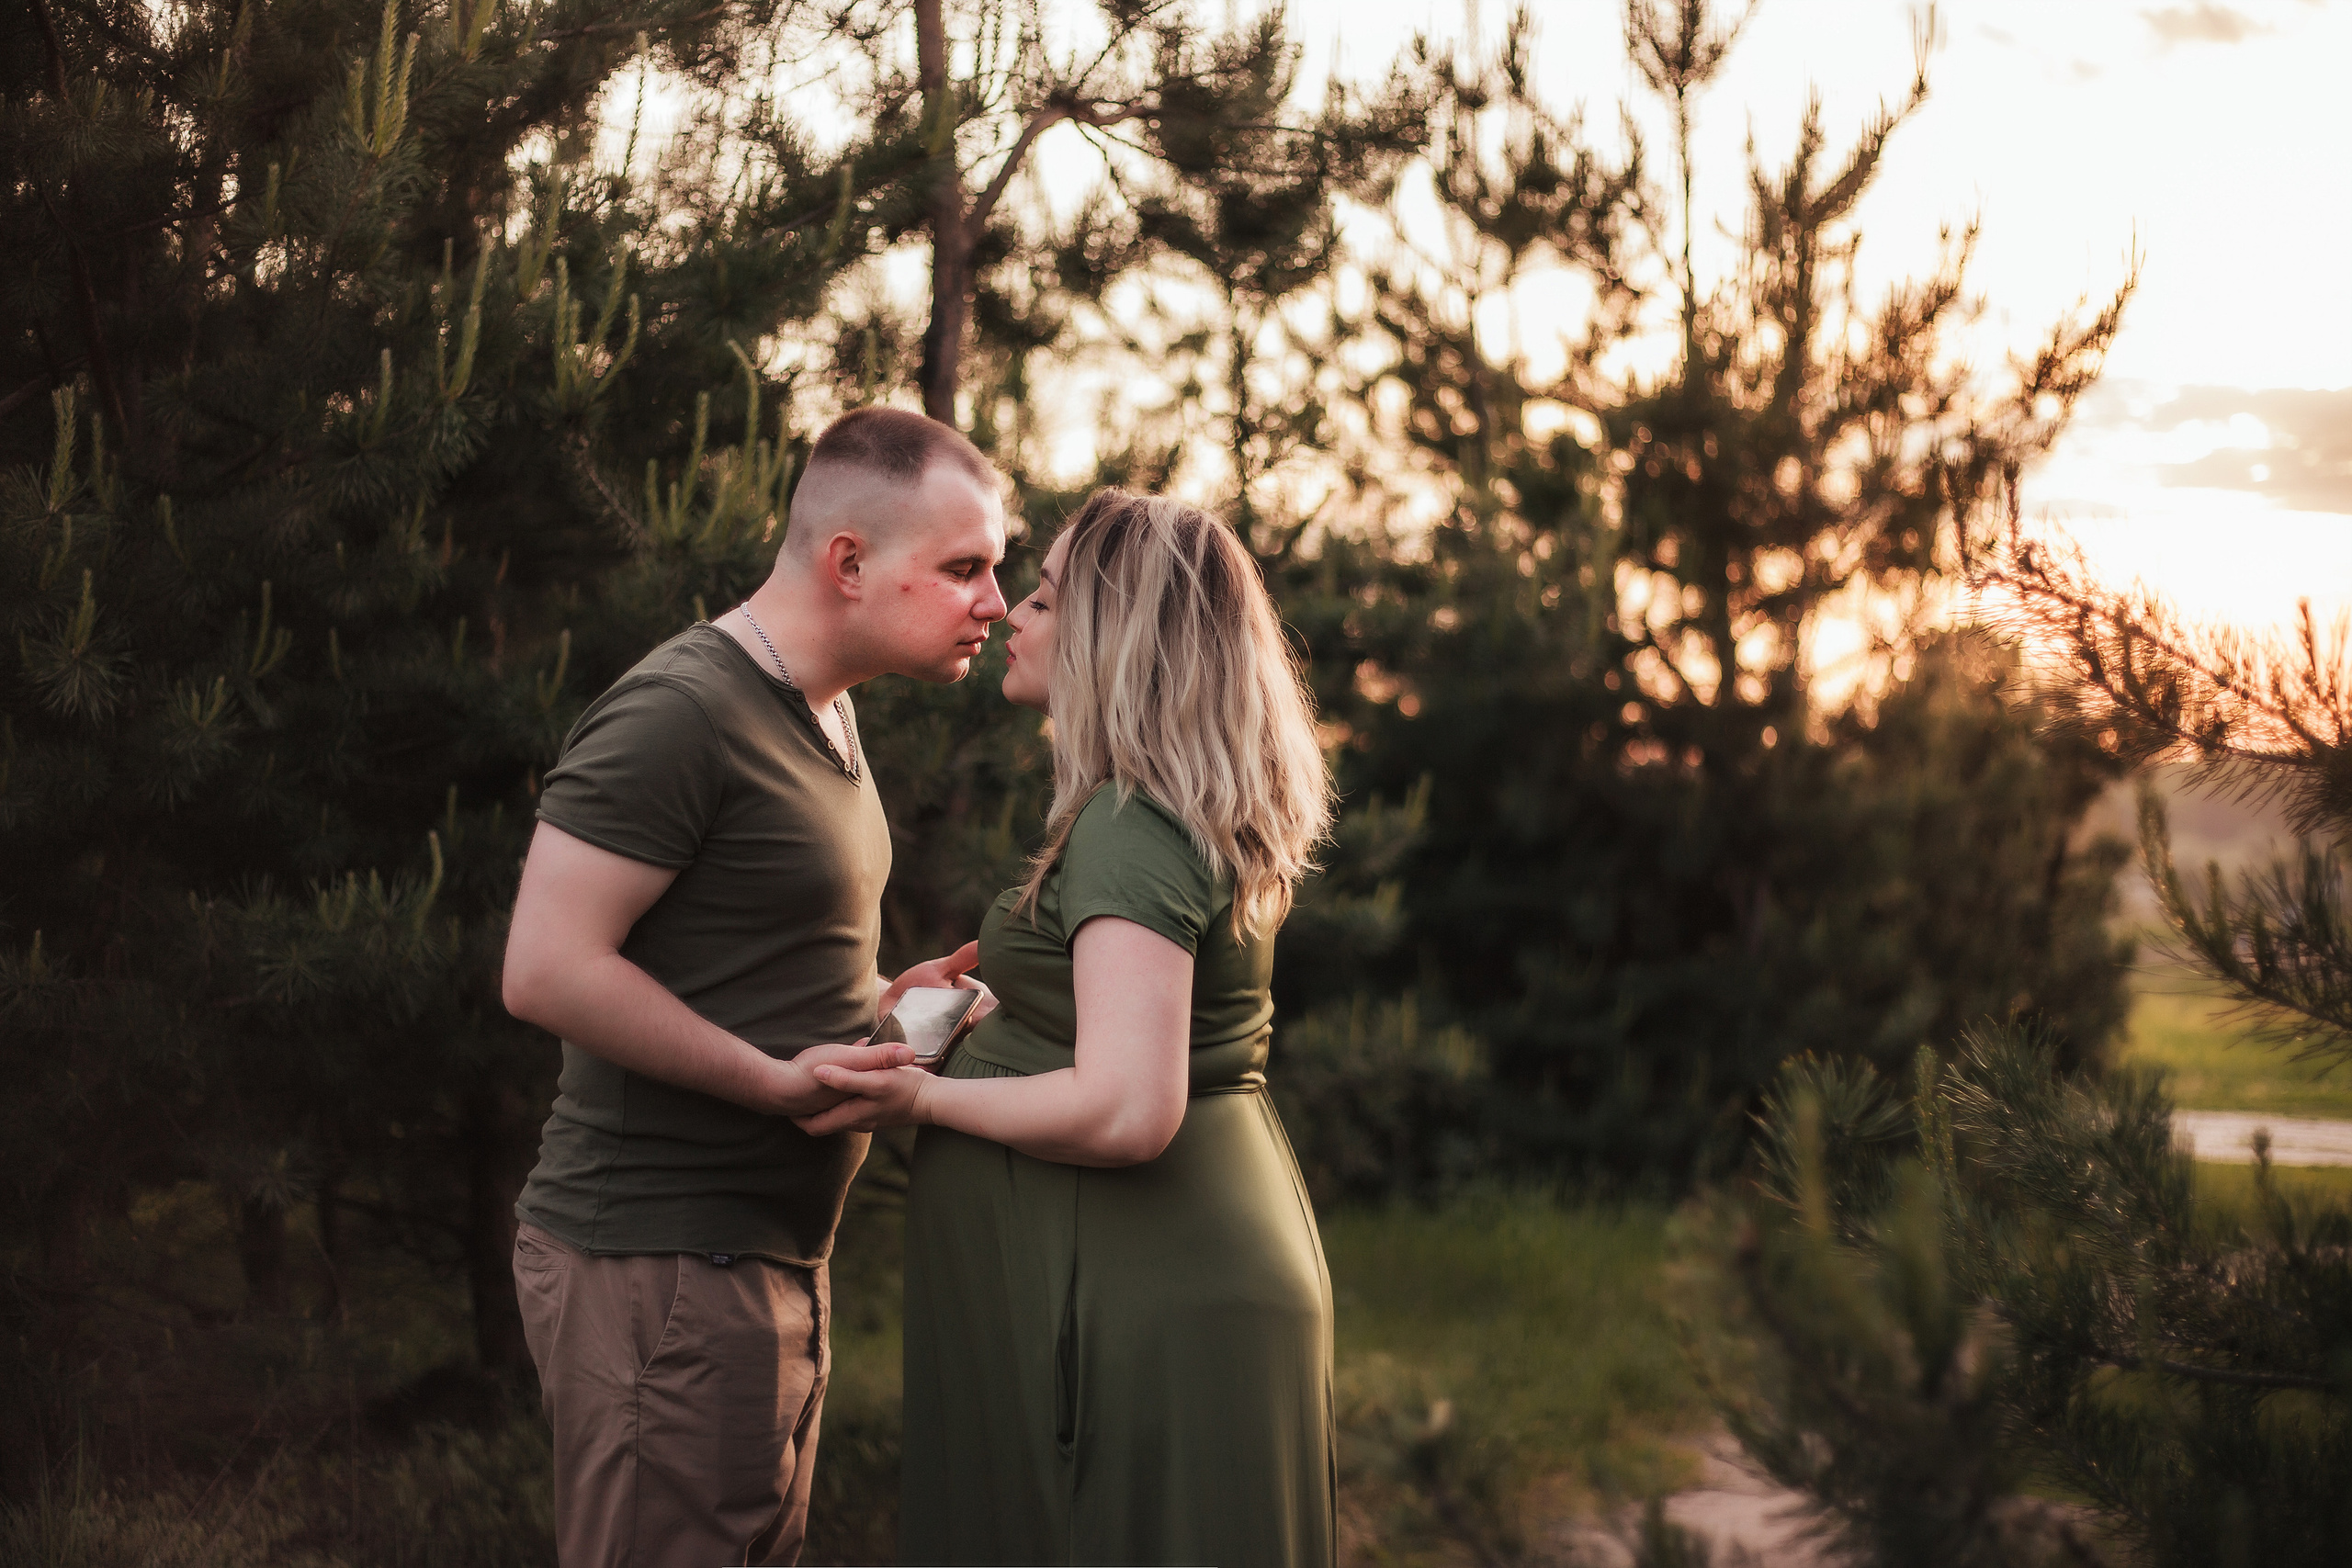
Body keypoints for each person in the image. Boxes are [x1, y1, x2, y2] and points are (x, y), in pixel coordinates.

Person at [500, 407, 1006, 1568]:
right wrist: (773, 1083)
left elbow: (736, 960)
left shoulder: (827, 709)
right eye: (963, 568)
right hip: (659, 1265)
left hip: (761, 1261)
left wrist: (877, 1004)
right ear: (848, 562)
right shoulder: (681, 712)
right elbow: (546, 968)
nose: (994, 601)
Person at [797, 488, 1340, 1567]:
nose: (1011, 613)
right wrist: (970, 1013)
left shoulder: (1131, 828)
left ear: (1108, 637)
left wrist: (923, 1098)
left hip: (1144, 1290)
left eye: (1043, 599)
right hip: (1165, 1268)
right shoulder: (1154, 811)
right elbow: (1124, 1021)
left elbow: (1130, 1107)